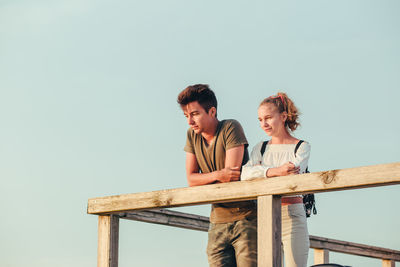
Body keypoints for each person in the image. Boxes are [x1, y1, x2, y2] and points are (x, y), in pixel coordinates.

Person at [177, 84, 257, 267]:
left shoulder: (231, 127)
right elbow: (191, 179)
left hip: (246, 217)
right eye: (186, 116)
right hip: (217, 221)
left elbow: (231, 176)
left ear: (212, 111)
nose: (190, 121)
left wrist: (209, 177)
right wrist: (218, 174)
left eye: (195, 114)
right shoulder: (192, 135)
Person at [241, 92, 310, 267]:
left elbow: (293, 173)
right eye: (260, 119)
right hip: (265, 215)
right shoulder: (261, 148)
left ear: (283, 116)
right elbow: (245, 174)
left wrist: (262, 172)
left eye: (268, 118)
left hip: (293, 214)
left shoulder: (301, 147)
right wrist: (277, 170)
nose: (263, 124)